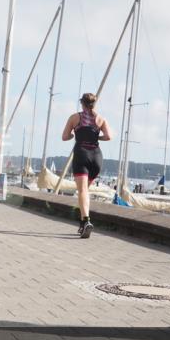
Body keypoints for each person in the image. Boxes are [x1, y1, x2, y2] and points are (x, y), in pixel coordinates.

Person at [61, 93, 112, 239]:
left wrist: (74, 134)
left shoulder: (74, 118)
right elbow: (108, 136)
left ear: (82, 103)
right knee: (85, 191)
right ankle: (83, 222)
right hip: (96, 156)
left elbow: (65, 137)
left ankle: (85, 221)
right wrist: (97, 137)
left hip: (81, 153)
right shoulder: (100, 119)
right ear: (94, 104)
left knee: (82, 191)